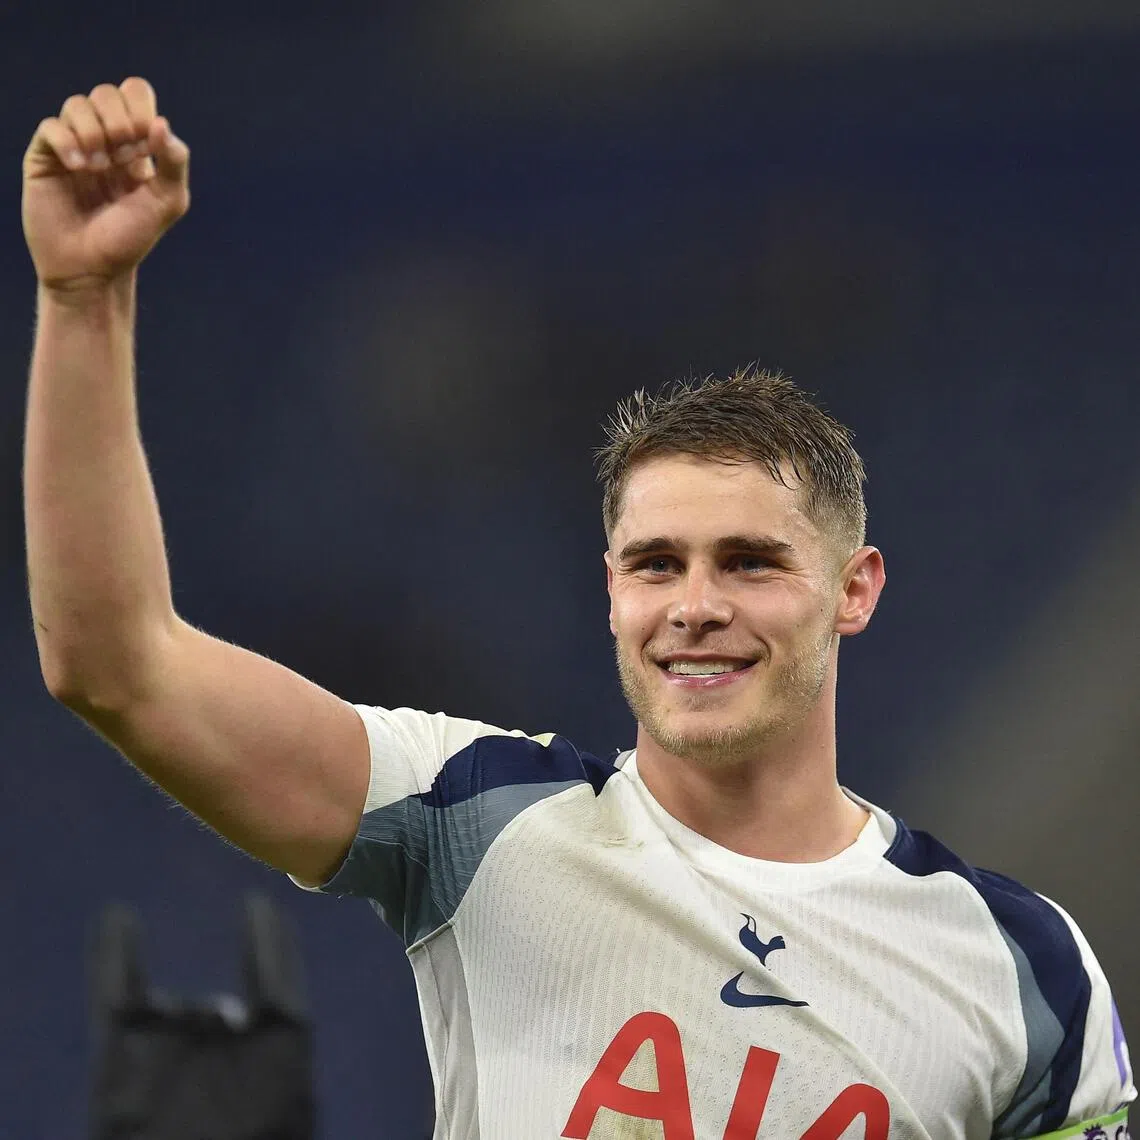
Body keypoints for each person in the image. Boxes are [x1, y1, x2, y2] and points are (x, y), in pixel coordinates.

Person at [22, 77, 1133, 1140]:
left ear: (855, 589)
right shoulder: (478, 818)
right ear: (611, 592)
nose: (695, 606)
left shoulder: (1023, 971)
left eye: (749, 563)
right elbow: (118, 667)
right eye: (656, 565)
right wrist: (82, 300)